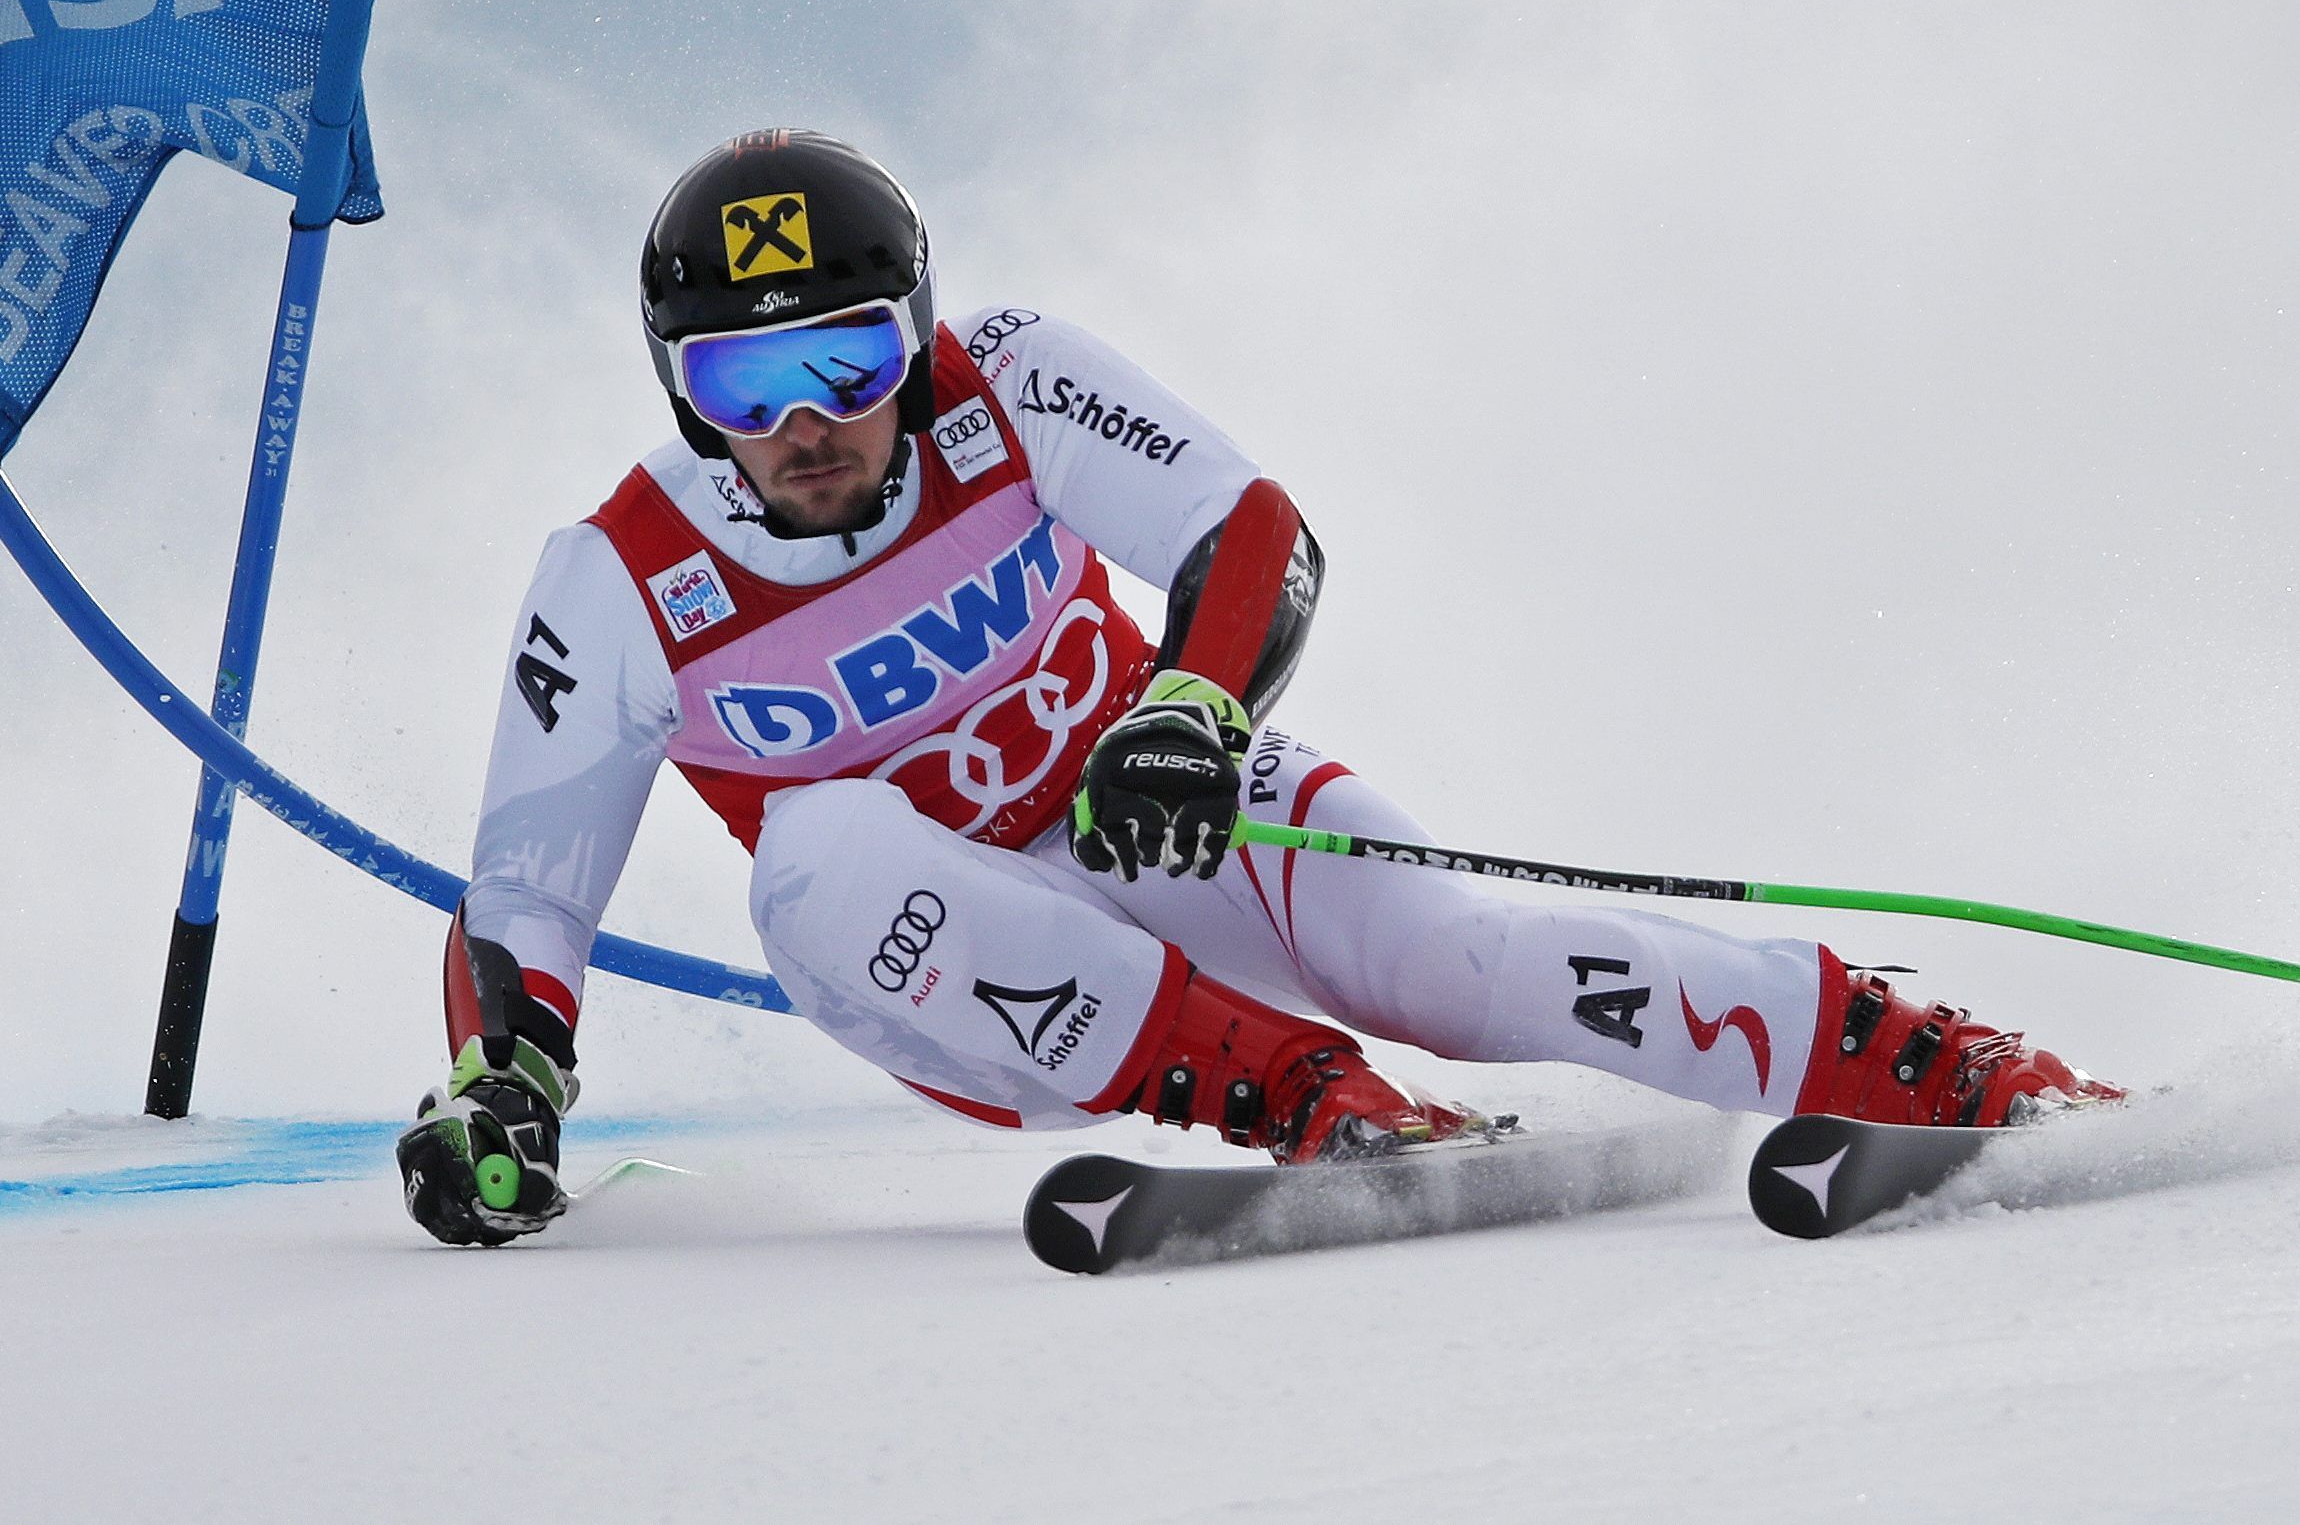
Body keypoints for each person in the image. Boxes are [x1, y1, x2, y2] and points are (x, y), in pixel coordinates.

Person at [396, 130, 2119, 1246]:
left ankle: (1938, 1064)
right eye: (744, 380)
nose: (807, 426)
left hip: (1166, 832)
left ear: (915, 334)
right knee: (812, 860)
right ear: (680, 392)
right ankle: (1300, 1093)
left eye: (847, 357)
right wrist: (508, 1096)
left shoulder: (1011, 384)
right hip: (977, 976)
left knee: (1452, 950)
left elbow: (1251, 530)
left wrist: (1190, 712)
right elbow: (525, 892)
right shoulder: (620, 577)